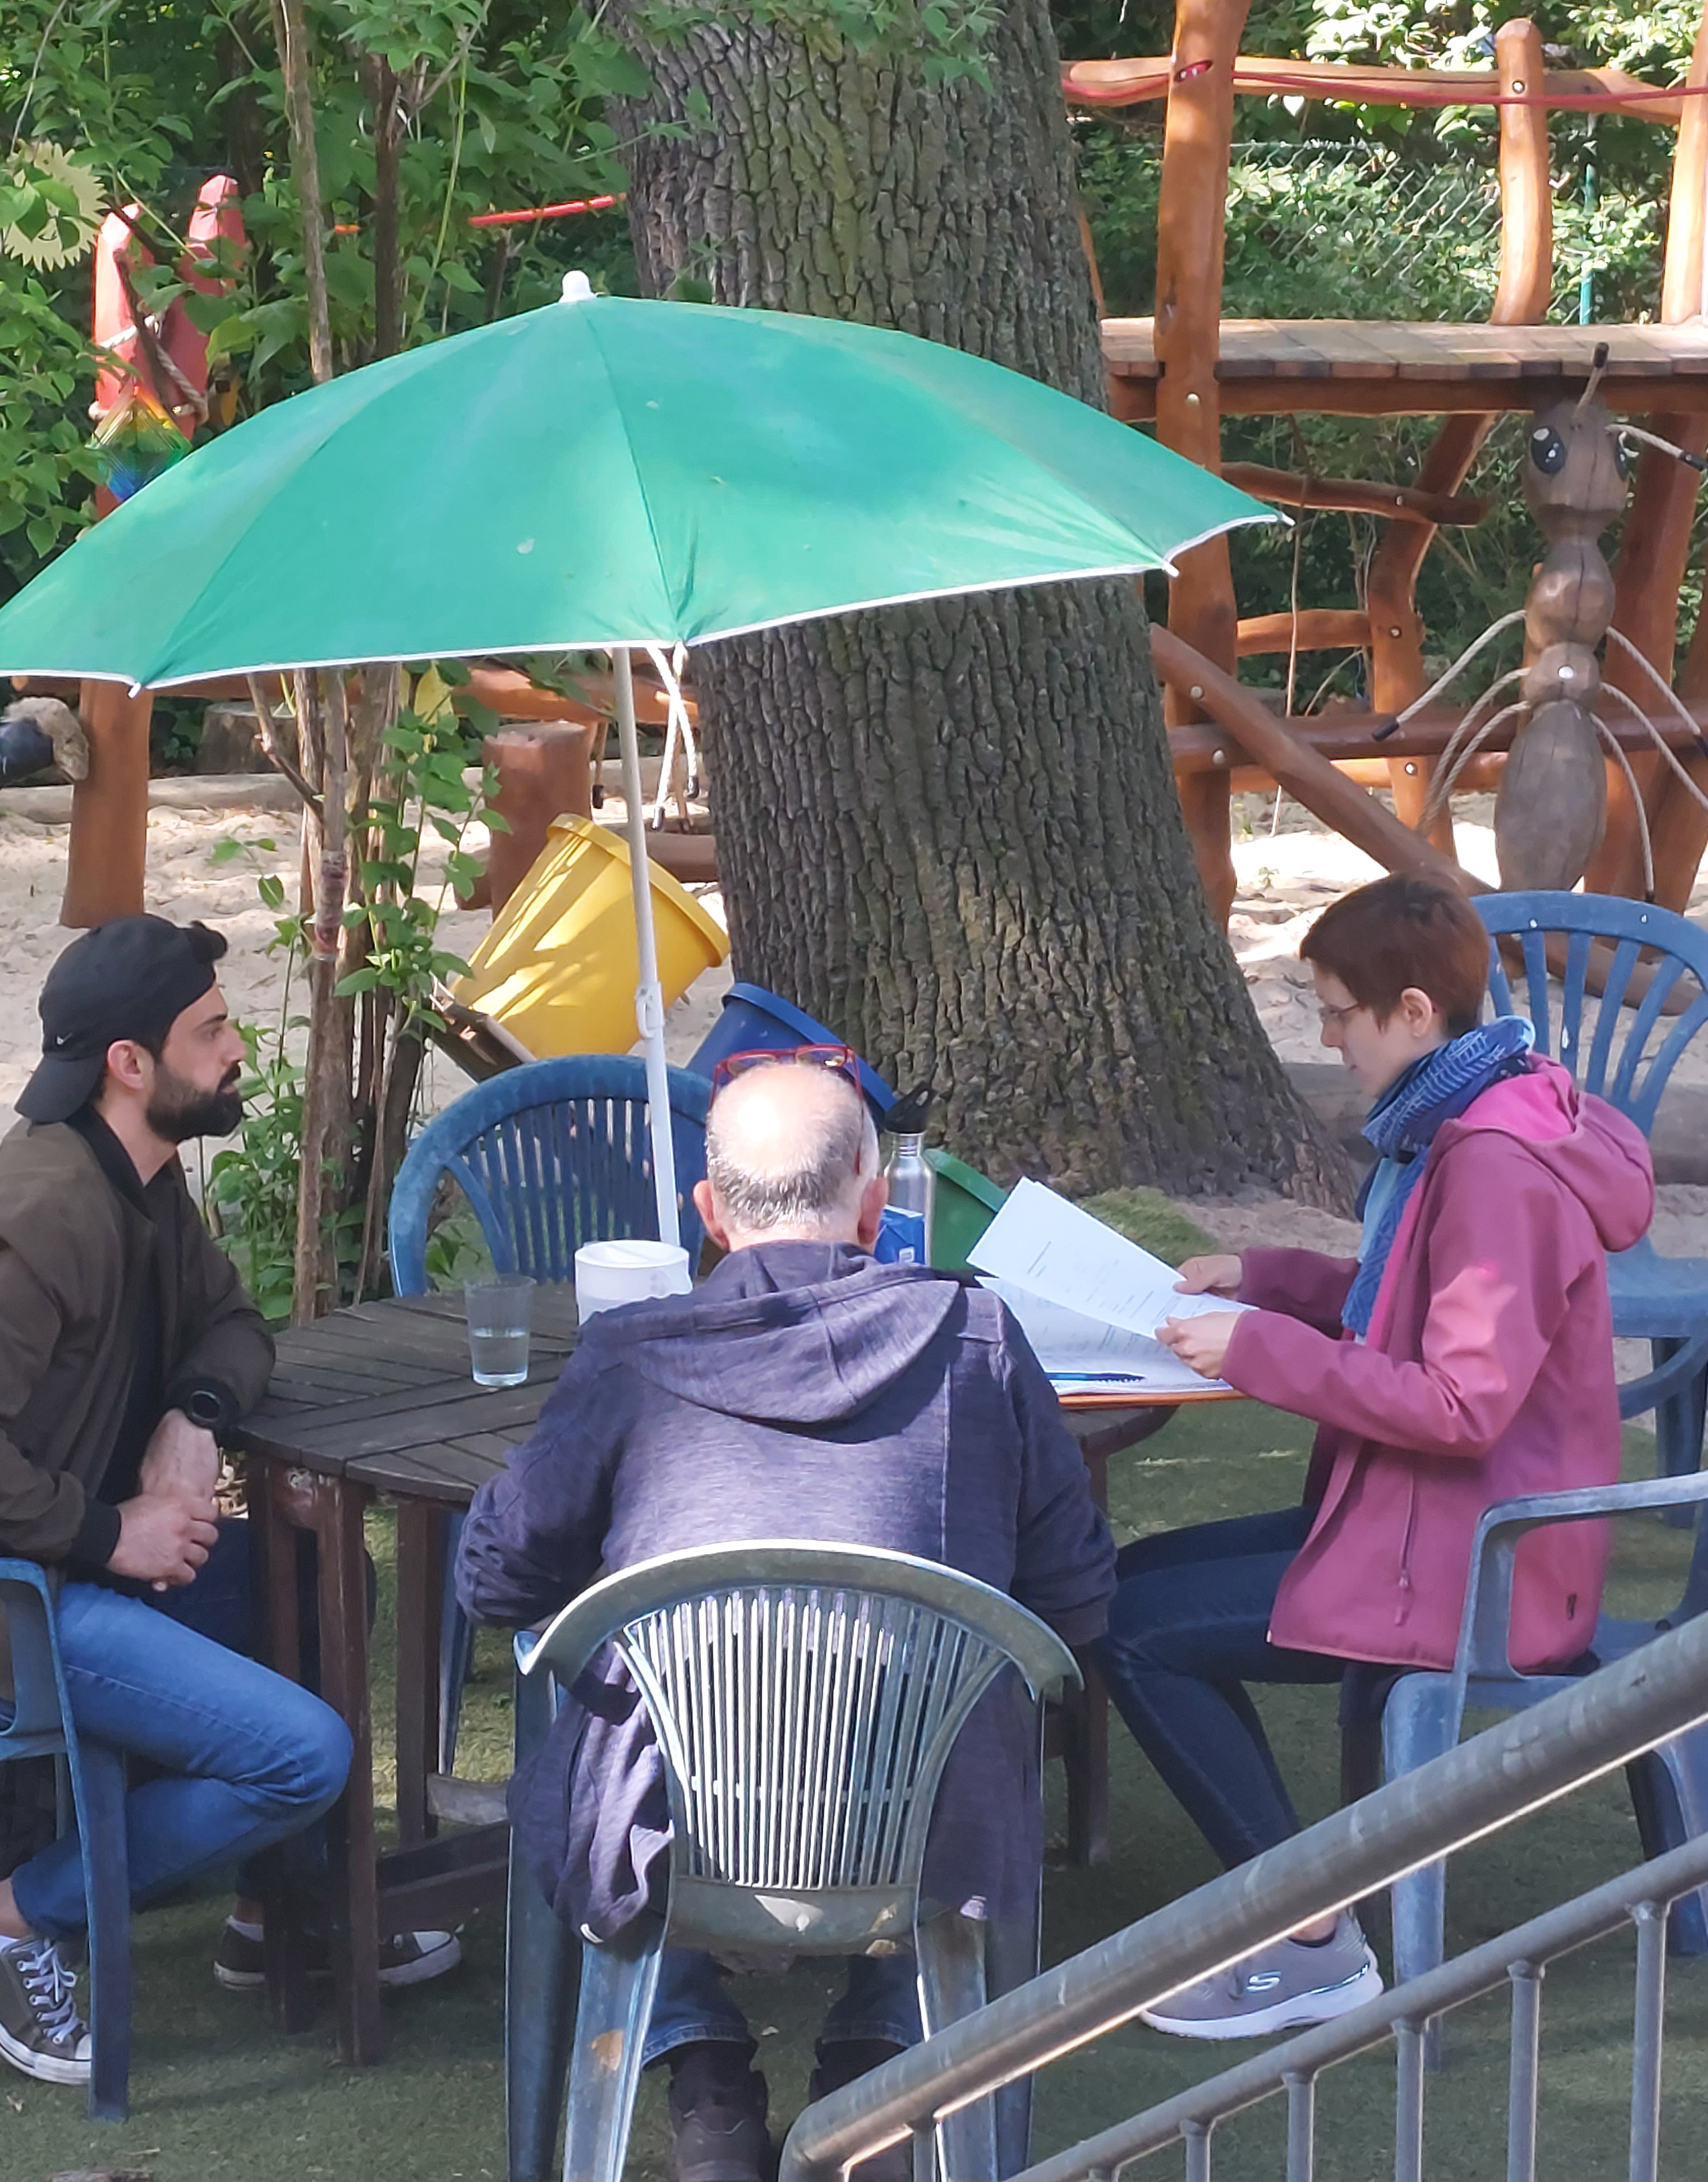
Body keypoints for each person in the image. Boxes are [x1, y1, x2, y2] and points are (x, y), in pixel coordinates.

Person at [456, 1055, 1116, 2182]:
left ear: (709, 1216)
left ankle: (704, 2077)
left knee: (608, 1715)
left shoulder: (629, 1354)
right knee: (959, 1718)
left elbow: (494, 1580)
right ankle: (877, 2071)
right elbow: (1077, 1598)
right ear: (874, 1201)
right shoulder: (979, 1340)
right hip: (927, 1828)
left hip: (674, 1829)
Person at [0, 914, 452, 2090]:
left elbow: (232, 1323)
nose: (236, 1049)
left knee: (321, 1583)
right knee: (302, 1755)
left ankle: (279, 1906)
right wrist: (108, 1530)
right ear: (130, 1062)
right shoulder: (41, 1217)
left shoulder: (141, 1177)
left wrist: (193, 1415)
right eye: (210, 1029)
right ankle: (4, 1919)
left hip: (51, 1575)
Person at [1099, 873, 1654, 2041]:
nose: (1328, 1038)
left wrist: (1262, 1349)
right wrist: (1270, 1280)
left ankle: (1311, 1938)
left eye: (1338, 1012)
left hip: (1482, 1560)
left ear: (1413, 1010)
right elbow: (1407, 1295)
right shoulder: (1479, 1115)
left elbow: (1460, 1402)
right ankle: (1308, 1905)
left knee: (1132, 1630)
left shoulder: (1492, 1161)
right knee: (1126, 1587)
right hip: (1444, 1523)